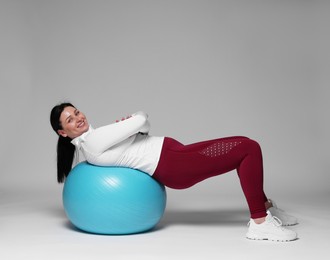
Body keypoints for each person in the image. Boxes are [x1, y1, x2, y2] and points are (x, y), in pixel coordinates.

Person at [50, 102, 298, 242]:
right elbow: (142, 118)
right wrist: (134, 120)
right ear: (63, 132)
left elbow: (142, 128)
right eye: (69, 120)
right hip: (175, 164)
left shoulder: (95, 139)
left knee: (244, 143)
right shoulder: (93, 141)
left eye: (76, 112)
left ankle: (264, 207)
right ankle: (260, 221)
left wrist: (135, 124)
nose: (78, 118)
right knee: (249, 149)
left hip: (176, 156)